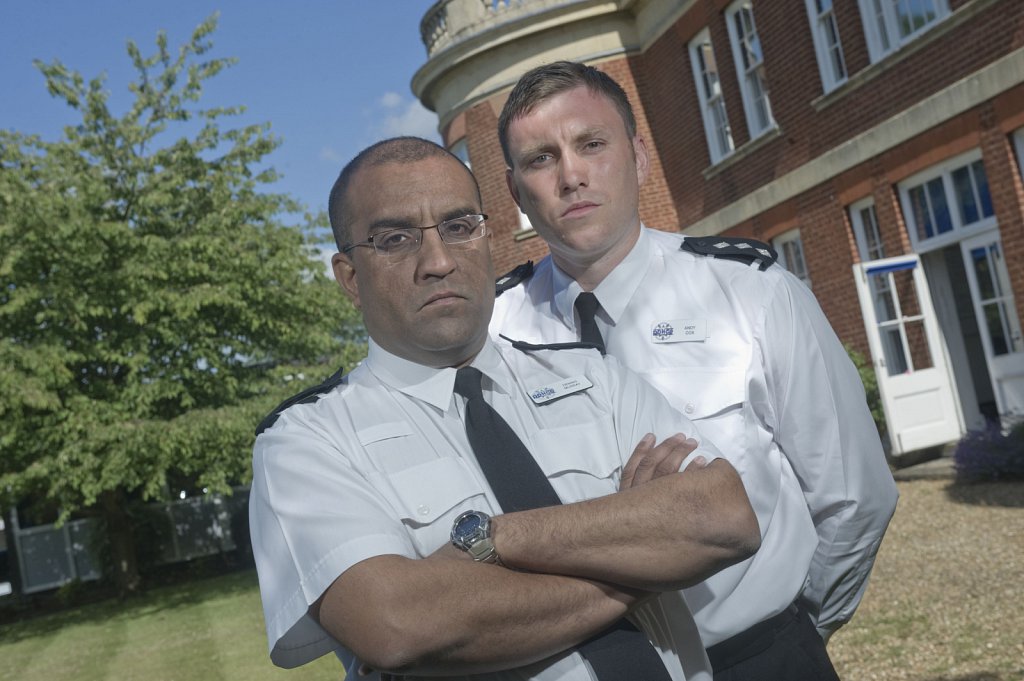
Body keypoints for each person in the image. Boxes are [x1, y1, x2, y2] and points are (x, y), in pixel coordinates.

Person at [248, 136, 762, 681]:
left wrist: (492, 539)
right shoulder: (306, 441)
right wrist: (648, 550)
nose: (439, 261)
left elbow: (723, 518)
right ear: (350, 278)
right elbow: (399, 625)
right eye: (395, 238)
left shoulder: (593, 376)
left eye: (459, 226)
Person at [490, 61, 899, 681]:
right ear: (517, 192)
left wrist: (796, 629)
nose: (571, 175)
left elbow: (854, 496)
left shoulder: (751, 293)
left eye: (592, 145)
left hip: (757, 657)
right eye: (541, 159)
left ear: (639, 157)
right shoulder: (493, 336)